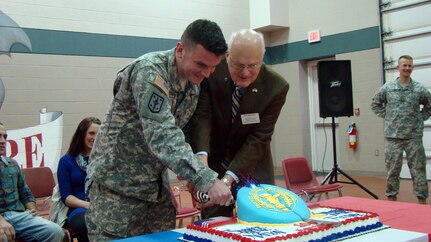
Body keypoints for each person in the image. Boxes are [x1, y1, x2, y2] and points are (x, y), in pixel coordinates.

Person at [85, 19, 232, 241]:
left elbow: (182, 131)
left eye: (212, 67)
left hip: (155, 190)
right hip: (117, 189)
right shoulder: (150, 71)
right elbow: (161, 134)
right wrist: (206, 179)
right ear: (180, 50)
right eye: (201, 65)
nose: (207, 73)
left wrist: (193, 175)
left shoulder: (193, 83)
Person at [189, 29, 289, 218]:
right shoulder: (211, 73)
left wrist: (228, 180)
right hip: (214, 167)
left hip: (254, 168)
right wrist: (202, 161)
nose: (245, 73)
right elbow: (202, 117)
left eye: (253, 65)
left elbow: (259, 138)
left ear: (262, 58)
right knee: (215, 229)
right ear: (227, 56)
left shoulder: (276, 86)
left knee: (262, 226)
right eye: (238, 65)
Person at [371, 55, 430, 204]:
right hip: (393, 137)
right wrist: (388, 116)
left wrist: (420, 118)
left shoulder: (419, 89)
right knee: (392, 171)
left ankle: (422, 201)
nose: (407, 68)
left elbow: (429, 106)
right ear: (398, 67)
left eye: (410, 66)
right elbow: (375, 104)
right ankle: (391, 199)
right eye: (404, 65)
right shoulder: (388, 88)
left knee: (418, 170)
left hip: (413, 137)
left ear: (412, 68)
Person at [0, 122, 65, 242]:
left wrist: (32, 210)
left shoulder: (12, 164)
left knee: (55, 231)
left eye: (5, 137)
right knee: (3, 237)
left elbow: (25, 193)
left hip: (18, 215)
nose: (3, 141)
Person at [54, 117, 101, 242]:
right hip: (78, 207)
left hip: (103, 205)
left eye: (99, 134)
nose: (95, 138)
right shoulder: (66, 161)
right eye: (91, 133)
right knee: (85, 224)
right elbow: (67, 197)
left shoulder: (104, 159)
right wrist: (88, 205)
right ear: (81, 134)